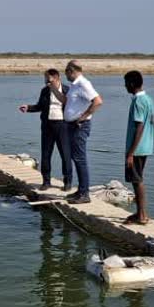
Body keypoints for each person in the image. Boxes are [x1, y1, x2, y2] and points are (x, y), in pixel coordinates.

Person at [19, 68, 71, 190]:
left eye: (48, 79)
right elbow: (40, 106)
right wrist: (28, 108)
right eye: (45, 79)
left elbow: (72, 107)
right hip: (47, 126)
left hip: (62, 126)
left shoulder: (67, 90)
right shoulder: (44, 91)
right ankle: (46, 181)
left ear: (57, 78)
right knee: (46, 154)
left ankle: (67, 182)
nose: (46, 82)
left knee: (65, 154)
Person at [62, 60, 102, 204]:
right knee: (76, 157)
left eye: (66, 71)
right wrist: (54, 88)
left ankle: (85, 194)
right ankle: (80, 190)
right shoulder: (74, 86)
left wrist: (83, 116)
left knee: (80, 158)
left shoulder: (83, 83)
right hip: (72, 125)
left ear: (71, 70)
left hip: (80, 126)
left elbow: (97, 101)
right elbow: (69, 103)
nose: (65, 74)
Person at [123, 70, 154, 224]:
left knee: (137, 180)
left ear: (131, 84)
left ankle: (142, 215)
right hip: (145, 146)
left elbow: (139, 126)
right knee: (137, 179)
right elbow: (152, 121)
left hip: (137, 148)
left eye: (126, 84)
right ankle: (139, 213)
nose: (125, 87)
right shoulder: (148, 99)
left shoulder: (138, 101)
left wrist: (130, 153)